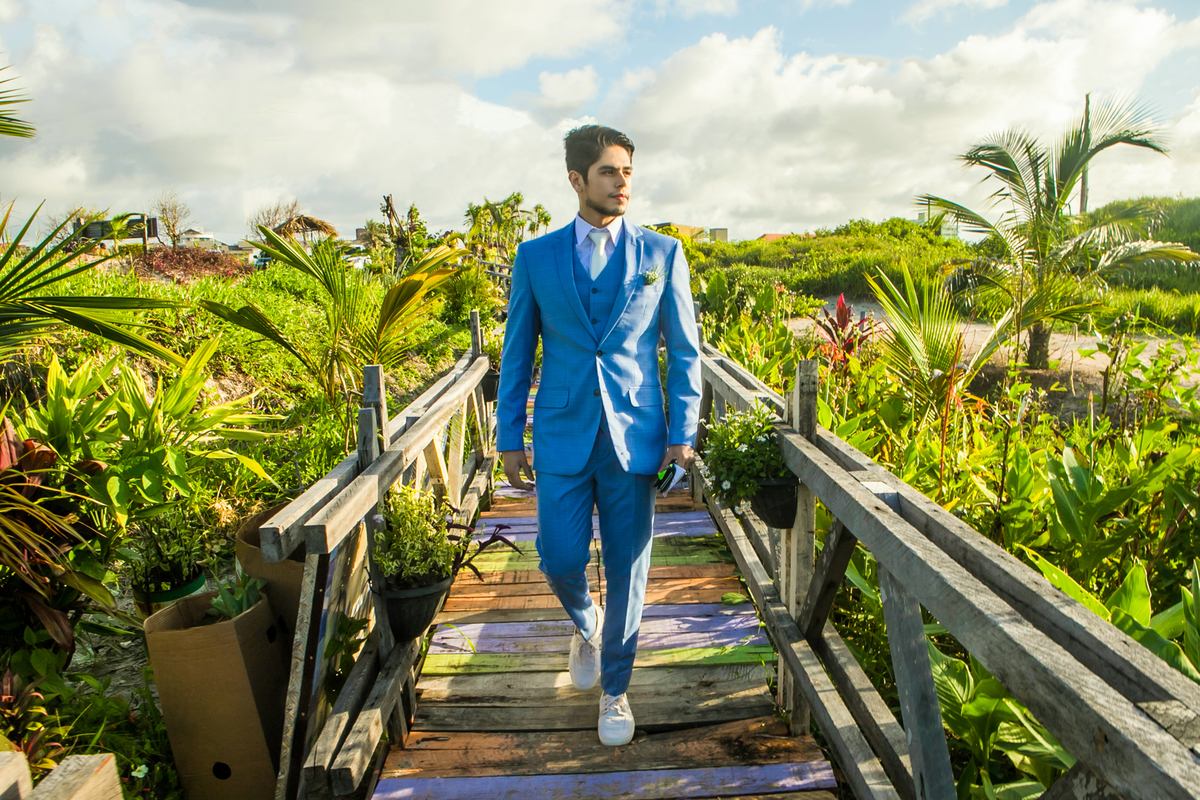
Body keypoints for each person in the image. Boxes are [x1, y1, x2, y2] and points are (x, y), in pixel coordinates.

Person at [496, 125, 702, 746]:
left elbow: (684, 351)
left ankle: (615, 689)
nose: (622, 185)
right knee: (558, 557)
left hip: (635, 433)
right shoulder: (536, 257)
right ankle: (587, 624)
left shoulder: (663, 254)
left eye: (628, 173)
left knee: (629, 566)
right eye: (610, 173)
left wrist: (682, 433)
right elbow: (516, 352)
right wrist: (510, 435)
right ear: (577, 180)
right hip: (560, 432)